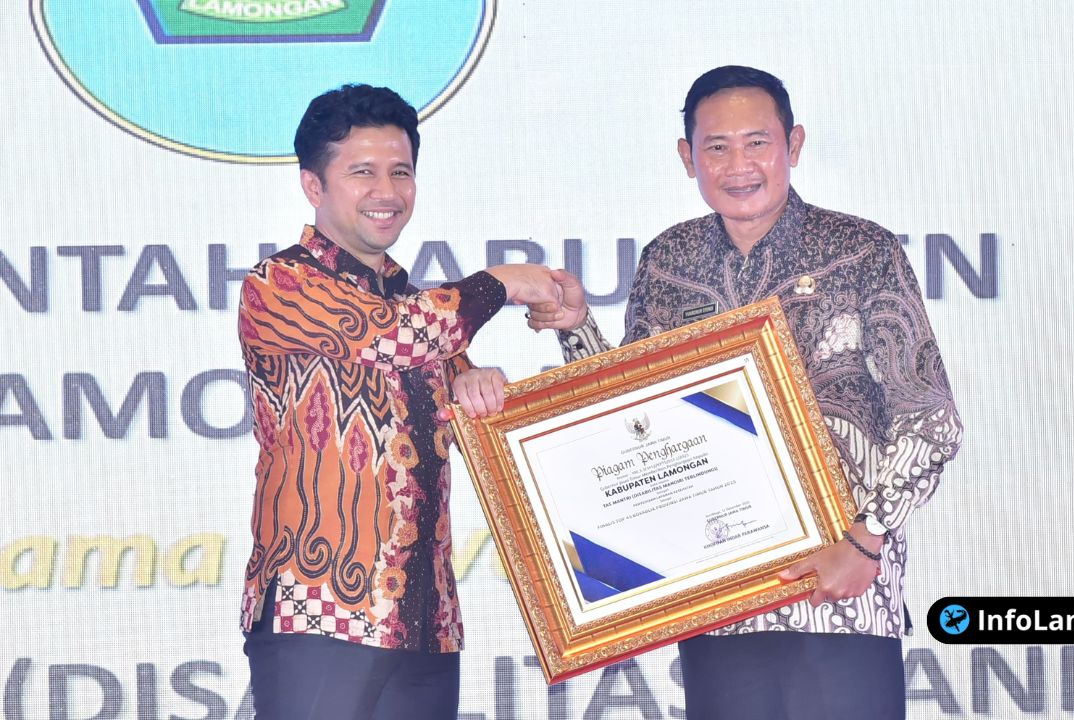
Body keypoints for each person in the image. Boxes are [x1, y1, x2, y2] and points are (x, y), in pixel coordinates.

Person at [456, 66, 963, 718]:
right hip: (717, 602)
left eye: (758, 143)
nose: (739, 165)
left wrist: (866, 541)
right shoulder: (668, 261)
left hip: (839, 595)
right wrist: (577, 327)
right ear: (687, 156)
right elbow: (629, 416)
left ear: (794, 145)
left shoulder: (861, 250)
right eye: (717, 147)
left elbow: (931, 419)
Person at [237, 83, 570, 719]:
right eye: (362, 172)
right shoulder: (280, 283)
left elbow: (478, 413)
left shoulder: (422, 308)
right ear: (313, 184)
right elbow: (395, 335)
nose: (387, 191)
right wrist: (503, 280)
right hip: (320, 612)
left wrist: (480, 384)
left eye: (401, 171)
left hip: (426, 621)